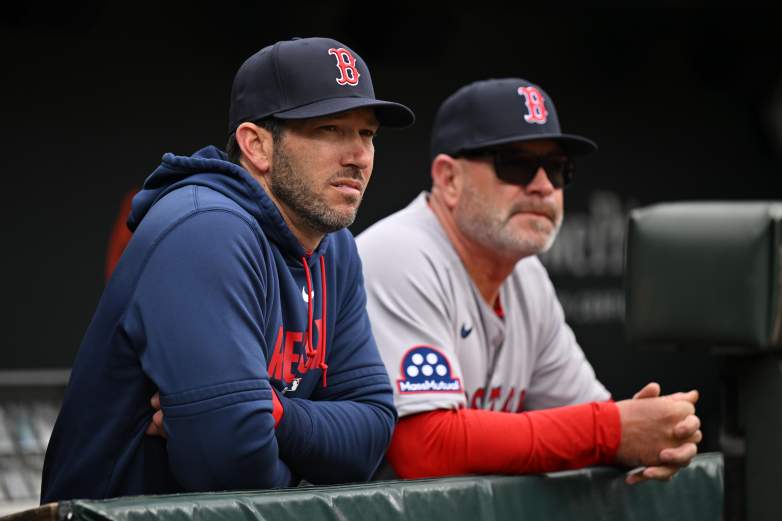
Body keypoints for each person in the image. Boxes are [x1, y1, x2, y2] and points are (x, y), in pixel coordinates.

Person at [41, 36, 414, 502]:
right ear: (256, 145)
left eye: (367, 134)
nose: (357, 155)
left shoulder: (334, 248)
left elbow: (373, 433)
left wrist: (277, 416)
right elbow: (229, 465)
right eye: (329, 129)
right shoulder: (203, 229)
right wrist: (305, 453)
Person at [356, 78, 701, 483]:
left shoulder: (526, 276)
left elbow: (587, 414)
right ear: (449, 179)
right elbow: (425, 447)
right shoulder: (401, 252)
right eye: (516, 164)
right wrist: (613, 430)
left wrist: (651, 434)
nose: (543, 186)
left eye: (556, 169)